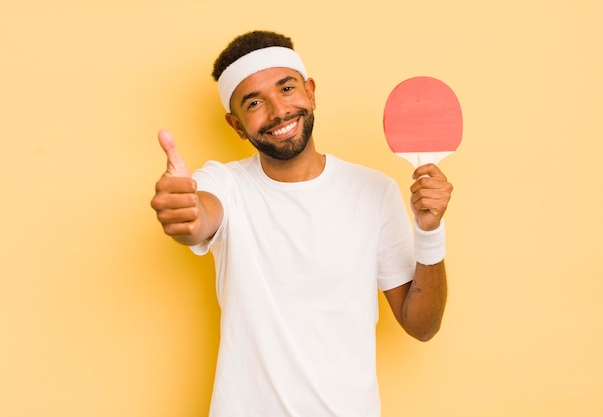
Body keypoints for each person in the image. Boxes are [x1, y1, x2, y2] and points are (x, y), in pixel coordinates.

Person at [151, 30, 453, 417]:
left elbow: (422, 325)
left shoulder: (374, 191)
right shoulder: (225, 184)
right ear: (236, 125)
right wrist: (185, 211)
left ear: (310, 92)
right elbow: (201, 216)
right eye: (255, 102)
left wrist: (429, 231)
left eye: (287, 88)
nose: (278, 111)